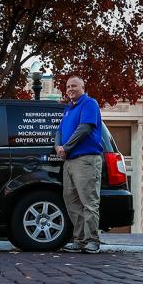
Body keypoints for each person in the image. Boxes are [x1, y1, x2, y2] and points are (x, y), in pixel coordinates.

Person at [55, 76, 103, 254]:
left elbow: (85, 129)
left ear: (83, 87)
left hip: (86, 160)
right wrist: (58, 147)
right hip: (69, 161)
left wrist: (66, 148)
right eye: (68, 86)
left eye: (74, 85)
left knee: (89, 202)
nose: (70, 89)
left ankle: (92, 241)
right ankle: (80, 241)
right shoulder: (69, 109)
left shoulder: (89, 104)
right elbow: (59, 131)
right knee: (72, 202)